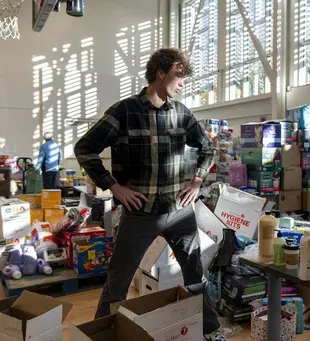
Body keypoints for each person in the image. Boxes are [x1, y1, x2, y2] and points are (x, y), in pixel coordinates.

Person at [74, 48, 225, 340]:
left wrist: (196, 181)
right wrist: (114, 186)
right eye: (179, 75)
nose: (182, 83)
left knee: (195, 276)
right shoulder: (124, 112)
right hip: (140, 215)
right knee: (117, 284)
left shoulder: (181, 113)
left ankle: (210, 331)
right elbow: (84, 148)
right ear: (161, 72)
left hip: (179, 212)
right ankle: (100, 335)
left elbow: (208, 148)